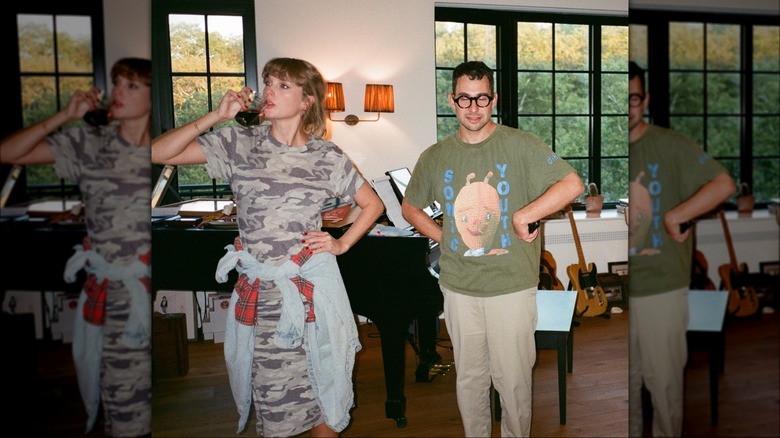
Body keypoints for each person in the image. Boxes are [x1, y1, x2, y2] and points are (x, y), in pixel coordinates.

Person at [151, 57, 384, 437]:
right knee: (275, 403)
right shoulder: (239, 143)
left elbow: (373, 204)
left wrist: (340, 243)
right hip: (265, 298)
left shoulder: (327, 156)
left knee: (325, 388)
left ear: (307, 100)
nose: (269, 91)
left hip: (312, 291)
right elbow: (158, 153)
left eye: (283, 86)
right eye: (269, 83)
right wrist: (216, 115)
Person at [401, 60, 584, 437]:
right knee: (470, 380)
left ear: (494, 99)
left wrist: (524, 216)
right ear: (452, 100)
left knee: (513, 382)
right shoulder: (435, 157)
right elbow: (410, 207)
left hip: (511, 287)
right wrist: (442, 236)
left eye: (481, 98)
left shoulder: (520, 145)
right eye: (464, 98)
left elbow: (571, 184)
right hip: (458, 287)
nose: (473, 107)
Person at [0, 57, 153, 437]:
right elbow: (8, 152)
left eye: (131, 86)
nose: (118, 92)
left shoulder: (165, 146)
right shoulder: (88, 142)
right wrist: (64, 116)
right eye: (116, 83)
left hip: (149, 287)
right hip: (111, 293)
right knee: (121, 406)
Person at [627, 60, 736, 437]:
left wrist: (676, 215)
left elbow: (723, 184)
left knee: (665, 392)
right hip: (619, 293)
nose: (627, 108)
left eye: (634, 99)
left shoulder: (669, 145)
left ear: (646, 99)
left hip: (662, 288)